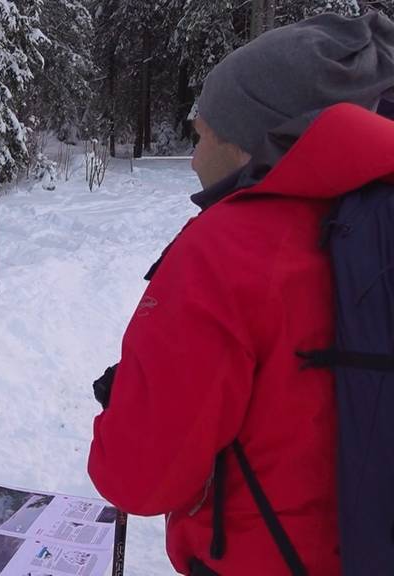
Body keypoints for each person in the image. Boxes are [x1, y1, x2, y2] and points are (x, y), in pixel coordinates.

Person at [87, 12, 394, 575]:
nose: (194, 155)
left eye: (202, 133)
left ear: (251, 140)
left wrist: (125, 406)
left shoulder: (226, 252)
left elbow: (139, 477)